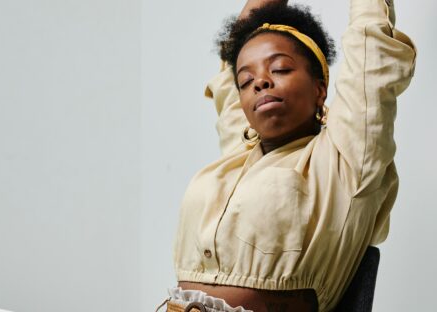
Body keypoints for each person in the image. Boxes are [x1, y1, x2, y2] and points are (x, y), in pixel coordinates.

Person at [161, 0, 416, 311]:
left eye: (280, 68)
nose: (260, 82)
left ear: (320, 89)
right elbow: (237, 45)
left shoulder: (345, 159)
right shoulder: (240, 152)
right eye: (245, 81)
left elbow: (371, 47)